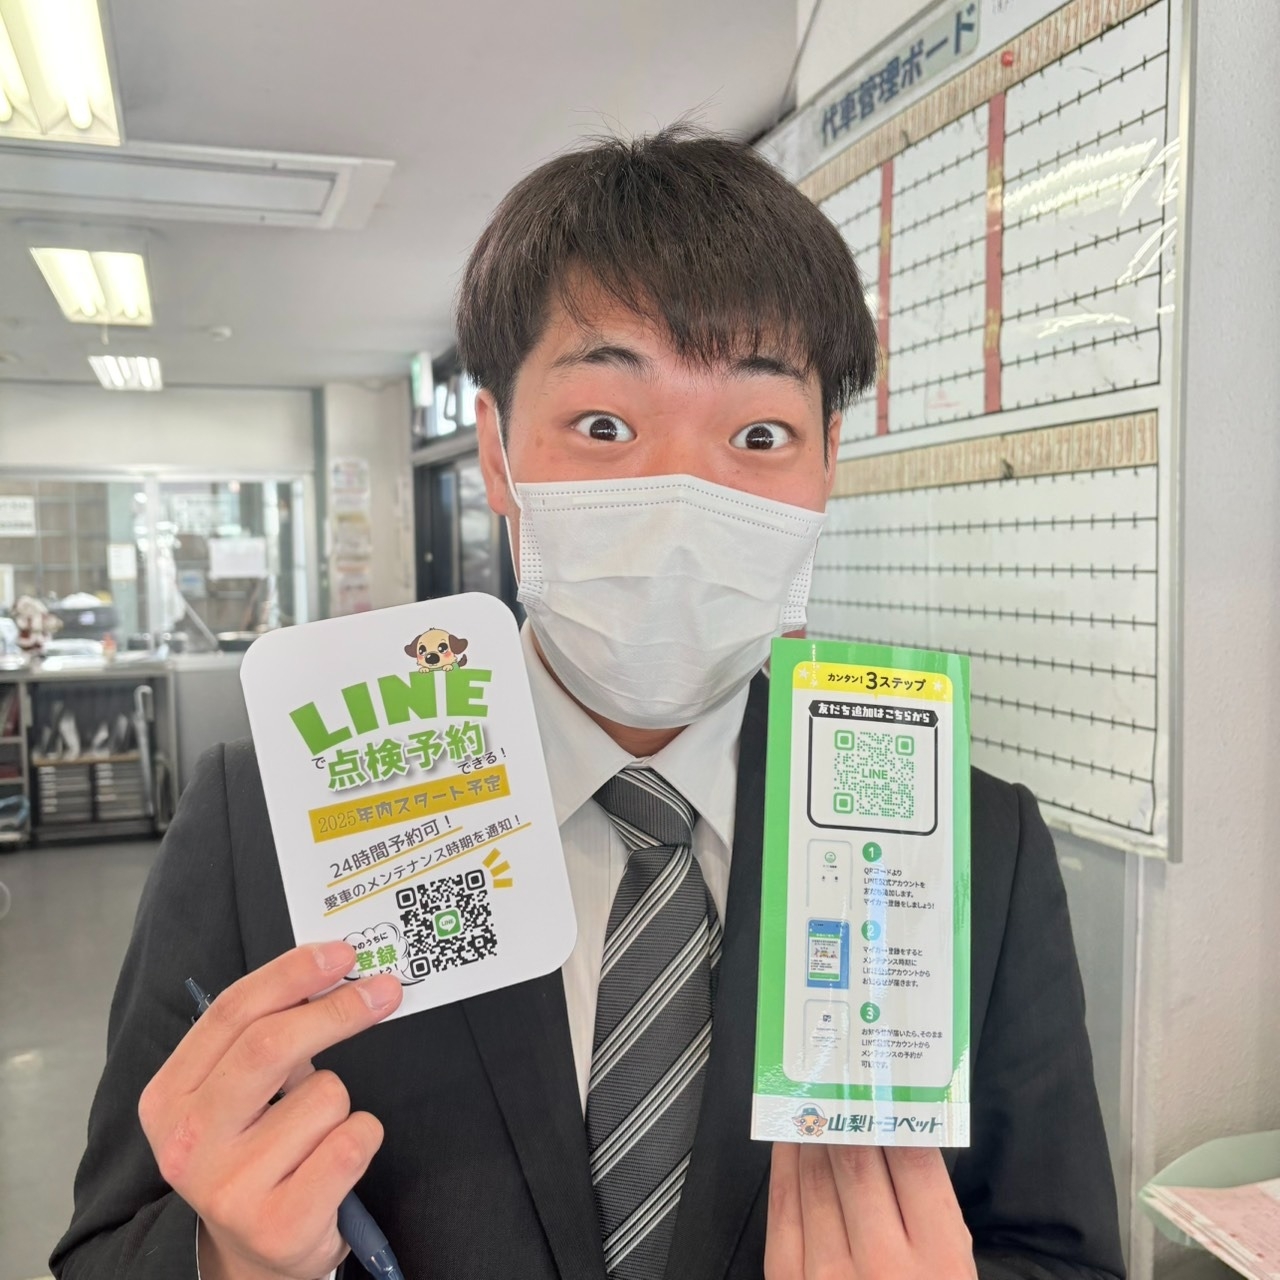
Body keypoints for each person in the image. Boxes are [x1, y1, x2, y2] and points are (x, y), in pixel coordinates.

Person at [52, 127, 1125, 1280]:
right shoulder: (267, 815)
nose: (682, 497)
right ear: (497, 455)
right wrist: (225, 1259)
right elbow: (110, 1242)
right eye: (605, 424)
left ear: (825, 465)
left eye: (759, 433)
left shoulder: (972, 845)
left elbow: (1057, 1250)